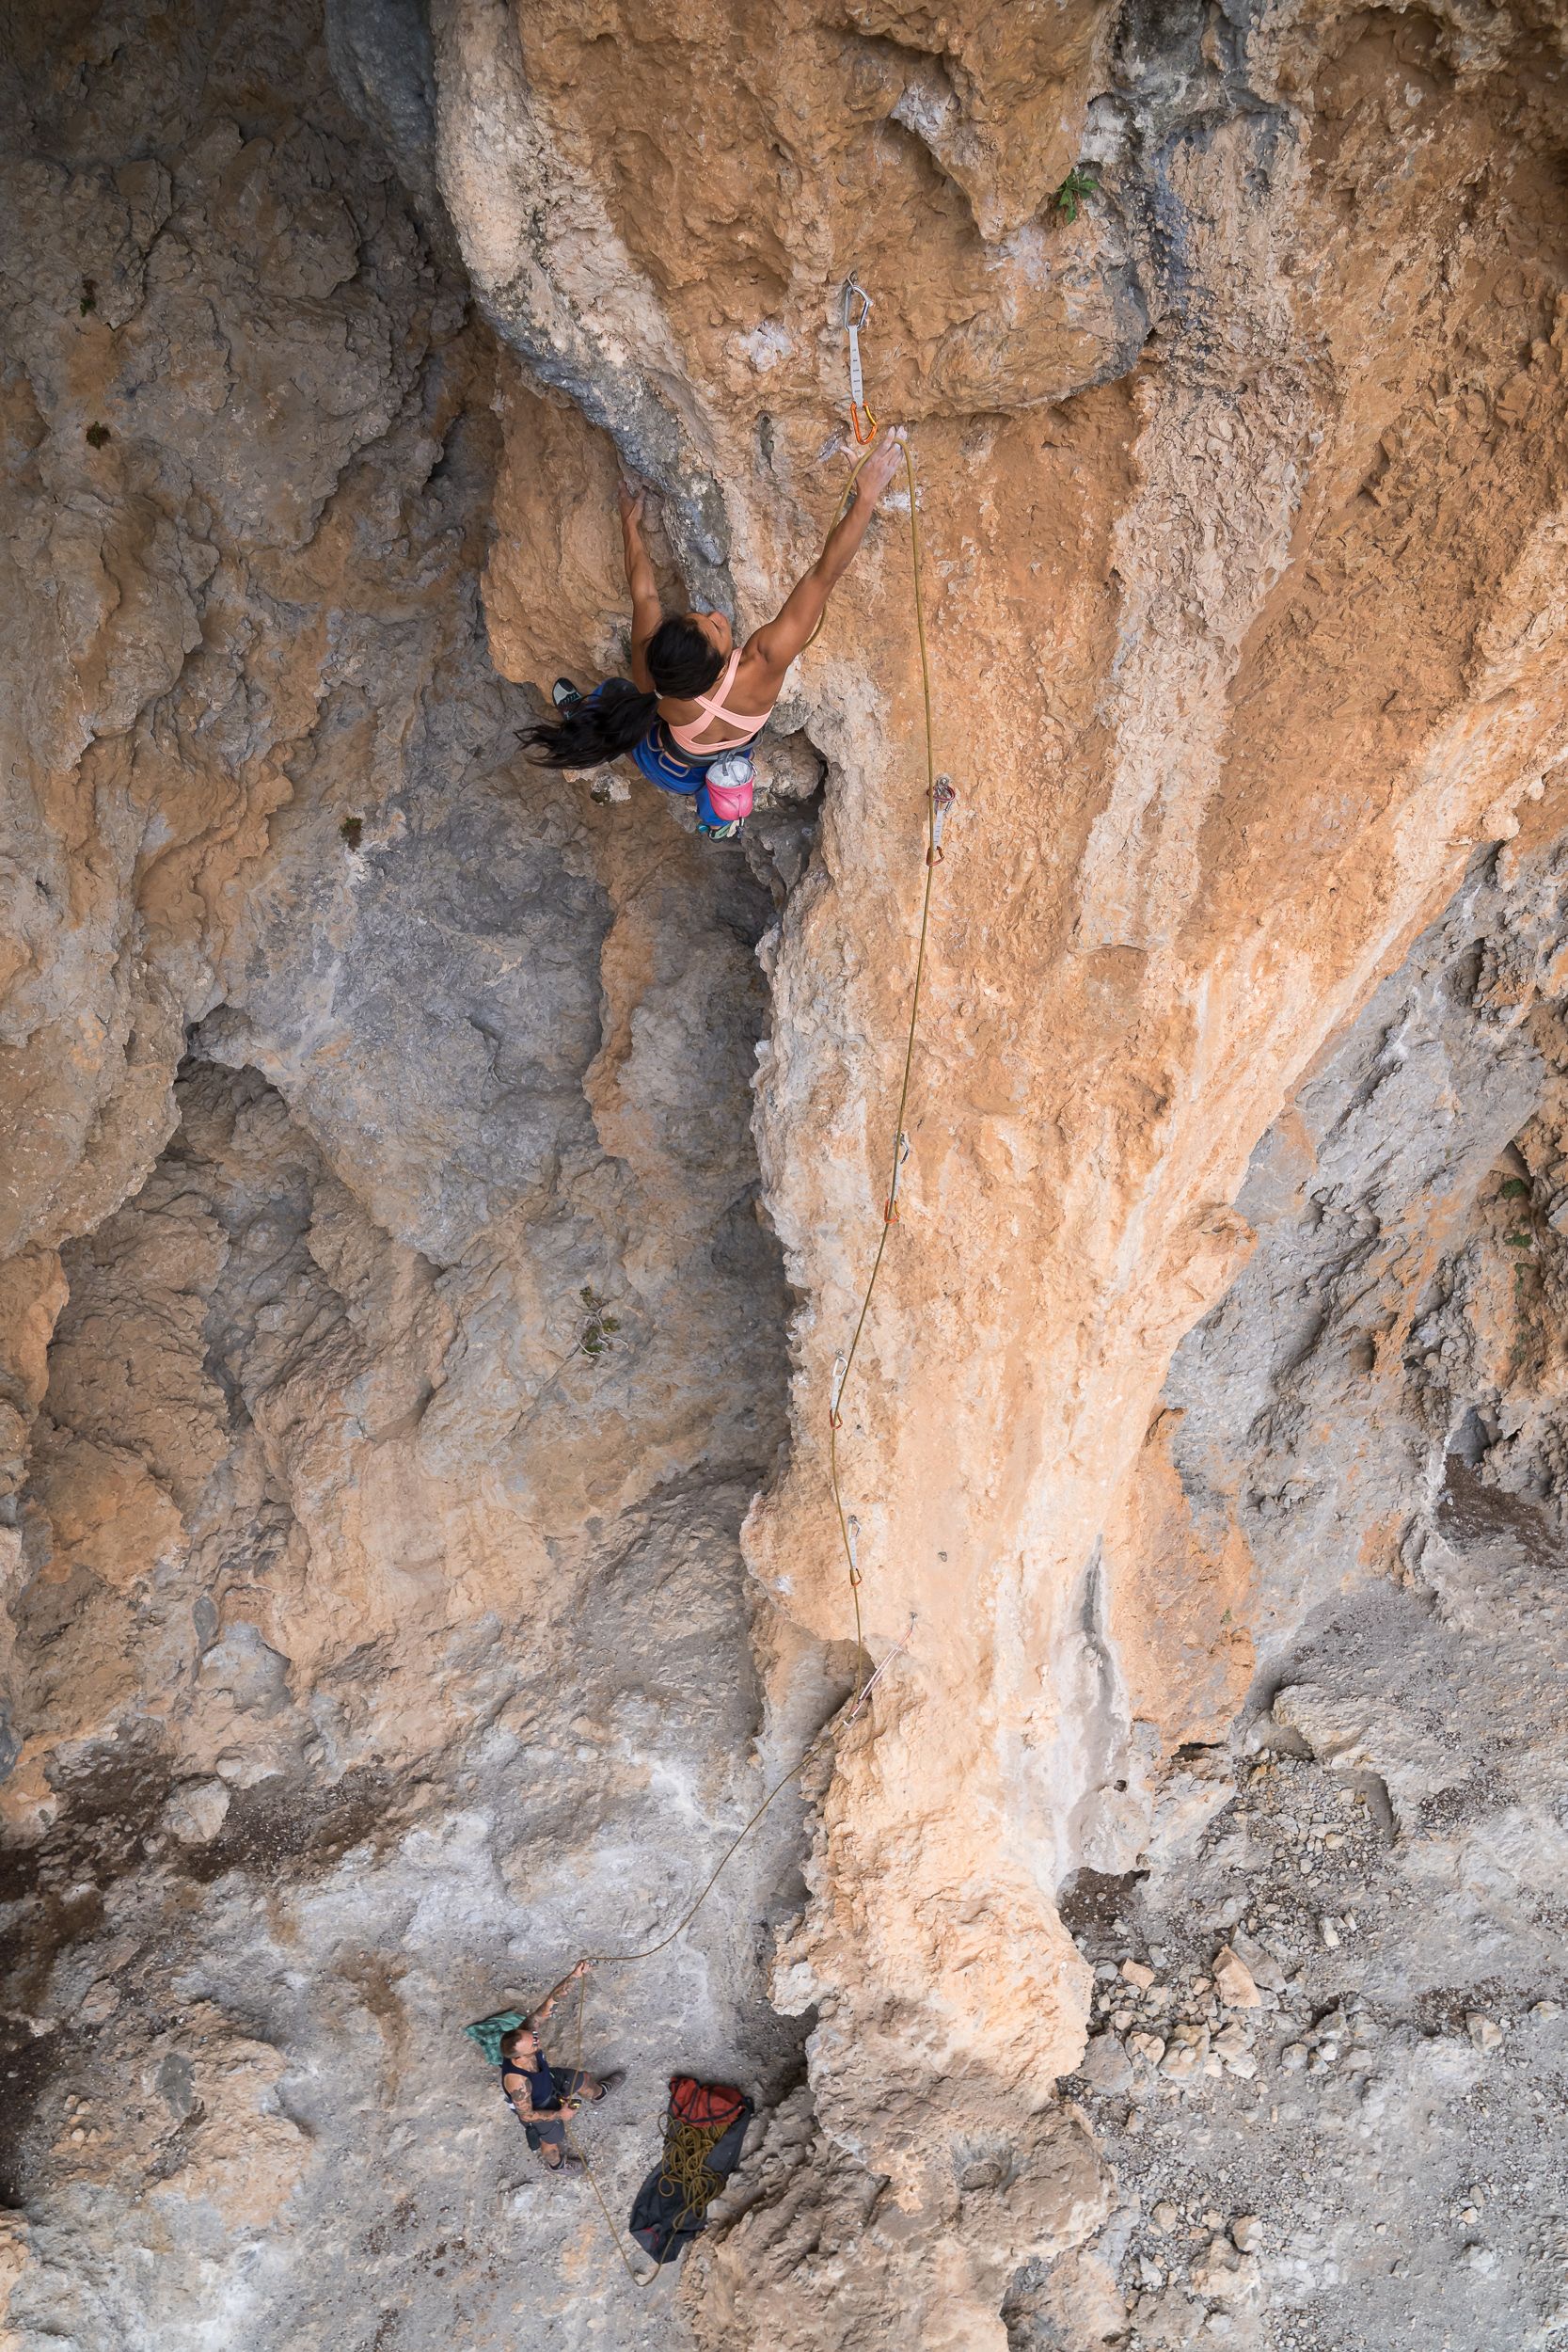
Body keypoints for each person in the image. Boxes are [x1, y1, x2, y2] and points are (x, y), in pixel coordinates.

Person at [518, 424, 911, 835]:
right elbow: (824, 575)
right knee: (650, 722)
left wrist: (628, 527)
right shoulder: (763, 662)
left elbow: (646, 597)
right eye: (714, 629)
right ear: (719, 667)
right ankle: (717, 815)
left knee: (618, 697)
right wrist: (866, 496)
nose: (716, 615)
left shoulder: (655, 685)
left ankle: (585, 718)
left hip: (673, 769)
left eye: (704, 620)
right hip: (713, 763)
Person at [495, 1961, 613, 2172]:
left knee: (582, 2078)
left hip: (548, 2080)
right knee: (552, 2140)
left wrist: (574, 1975)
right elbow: (527, 2115)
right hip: (540, 2105)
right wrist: (560, 2115)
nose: (535, 2038)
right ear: (520, 2056)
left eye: (532, 2036)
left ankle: (598, 2094)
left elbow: (549, 2004)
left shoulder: (525, 2035)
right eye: (533, 2042)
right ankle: (556, 2164)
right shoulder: (517, 2083)